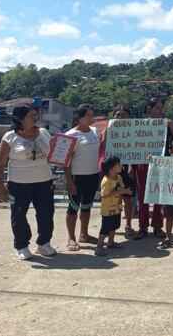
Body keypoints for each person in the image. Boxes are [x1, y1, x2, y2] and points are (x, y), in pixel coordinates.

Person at [0, 104, 56, 260]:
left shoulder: (43, 133)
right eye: (31, 115)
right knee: (19, 214)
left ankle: (44, 243)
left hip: (44, 181)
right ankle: (21, 245)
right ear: (19, 118)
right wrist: (1, 187)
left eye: (36, 115)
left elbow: (54, 153)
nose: (35, 118)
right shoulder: (10, 137)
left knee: (46, 213)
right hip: (19, 183)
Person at [134, 97, 173, 240]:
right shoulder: (140, 124)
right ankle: (142, 226)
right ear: (149, 109)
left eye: (161, 108)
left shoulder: (166, 124)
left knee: (159, 195)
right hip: (143, 163)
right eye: (157, 107)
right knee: (142, 196)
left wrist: (172, 128)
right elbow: (132, 145)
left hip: (161, 164)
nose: (161, 110)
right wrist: (130, 166)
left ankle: (158, 226)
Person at [65, 104, 102, 252]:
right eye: (88, 115)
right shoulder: (70, 135)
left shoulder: (94, 131)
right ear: (79, 117)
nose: (91, 118)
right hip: (77, 176)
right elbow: (65, 160)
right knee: (73, 207)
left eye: (92, 114)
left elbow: (99, 149)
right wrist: (69, 181)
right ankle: (71, 238)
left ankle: (84, 234)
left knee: (87, 206)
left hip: (93, 174)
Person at [102, 105, 137, 238]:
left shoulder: (134, 131)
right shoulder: (109, 130)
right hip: (112, 171)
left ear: (129, 117)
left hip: (127, 169)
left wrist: (131, 166)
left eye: (124, 114)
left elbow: (136, 150)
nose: (121, 117)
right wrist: (105, 135)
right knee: (112, 197)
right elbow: (103, 149)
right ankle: (110, 226)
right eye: (118, 115)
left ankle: (128, 225)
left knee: (128, 199)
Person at [95, 156, 131, 256]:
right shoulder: (106, 180)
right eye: (118, 165)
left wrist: (124, 190)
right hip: (107, 209)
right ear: (111, 168)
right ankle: (99, 247)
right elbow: (104, 194)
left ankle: (111, 242)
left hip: (117, 207)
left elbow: (122, 187)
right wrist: (121, 191)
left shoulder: (119, 177)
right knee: (105, 228)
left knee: (115, 225)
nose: (121, 166)